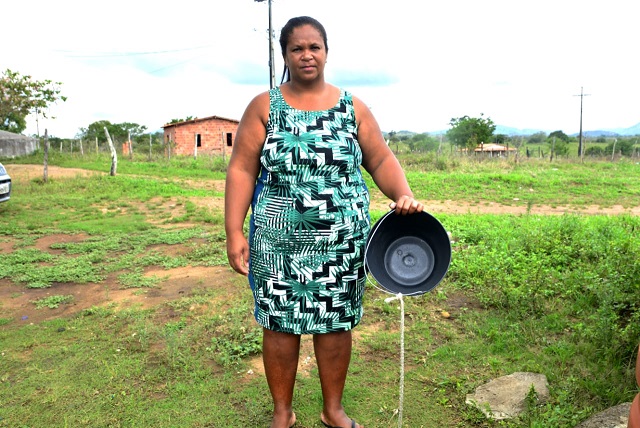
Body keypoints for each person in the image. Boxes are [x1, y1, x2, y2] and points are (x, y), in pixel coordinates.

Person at [225, 16, 423, 428]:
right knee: (279, 326)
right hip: (279, 244)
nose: (306, 55)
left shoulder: (352, 107)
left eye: (314, 46)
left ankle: (333, 409)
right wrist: (234, 230)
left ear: (326, 52)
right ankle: (283, 412)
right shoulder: (265, 107)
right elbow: (242, 168)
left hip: (341, 241)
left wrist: (401, 194)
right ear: (285, 55)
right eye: (297, 48)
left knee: (335, 325)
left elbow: (381, 159)